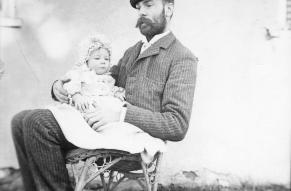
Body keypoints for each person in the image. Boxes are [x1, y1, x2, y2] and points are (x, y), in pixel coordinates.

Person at [11, 0, 198, 190]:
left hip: (132, 138)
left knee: (37, 122)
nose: (141, 12)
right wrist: (60, 85)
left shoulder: (182, 58)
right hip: (100, 126)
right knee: (20, 121)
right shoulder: (132, 52)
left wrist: (121, 114)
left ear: (168, 9)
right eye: (138, 7)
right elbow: (100, 80)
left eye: (148, 5)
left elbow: (177, 124)